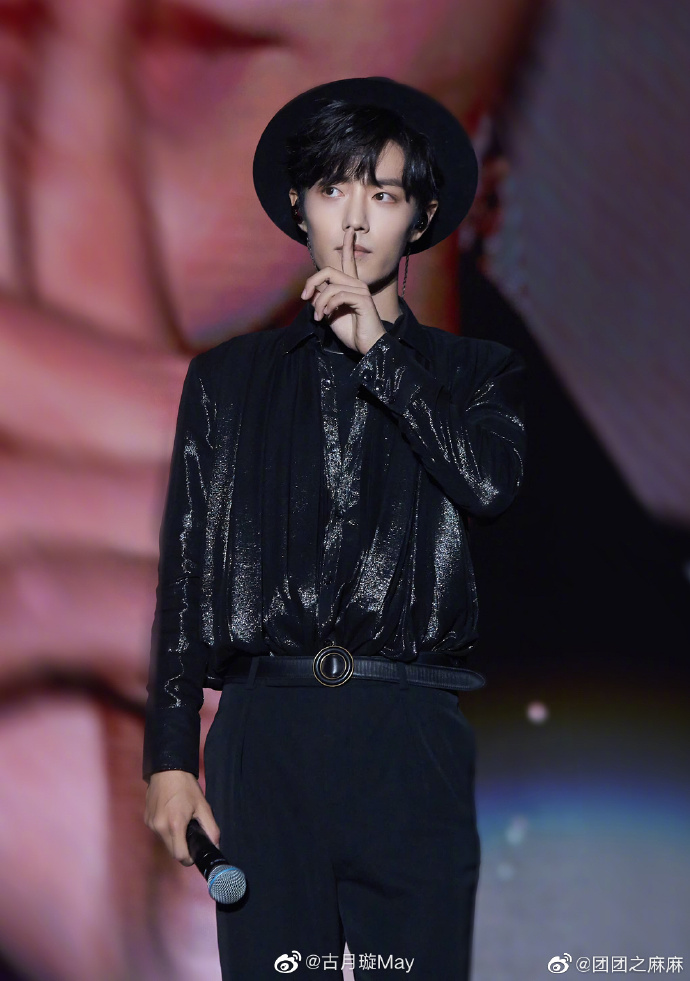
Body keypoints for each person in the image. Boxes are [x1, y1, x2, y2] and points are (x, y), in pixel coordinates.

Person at [143, 77, 526, 979]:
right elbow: (187, 571)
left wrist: (382, 355)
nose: (354, 221)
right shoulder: (227, 381)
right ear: (297, 206)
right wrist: (169, 755)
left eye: (383, 194)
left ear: (421, 215)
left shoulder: (478, 372)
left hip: (409, 736)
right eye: (332, 189)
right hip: (266, 737)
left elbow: (489, 484)